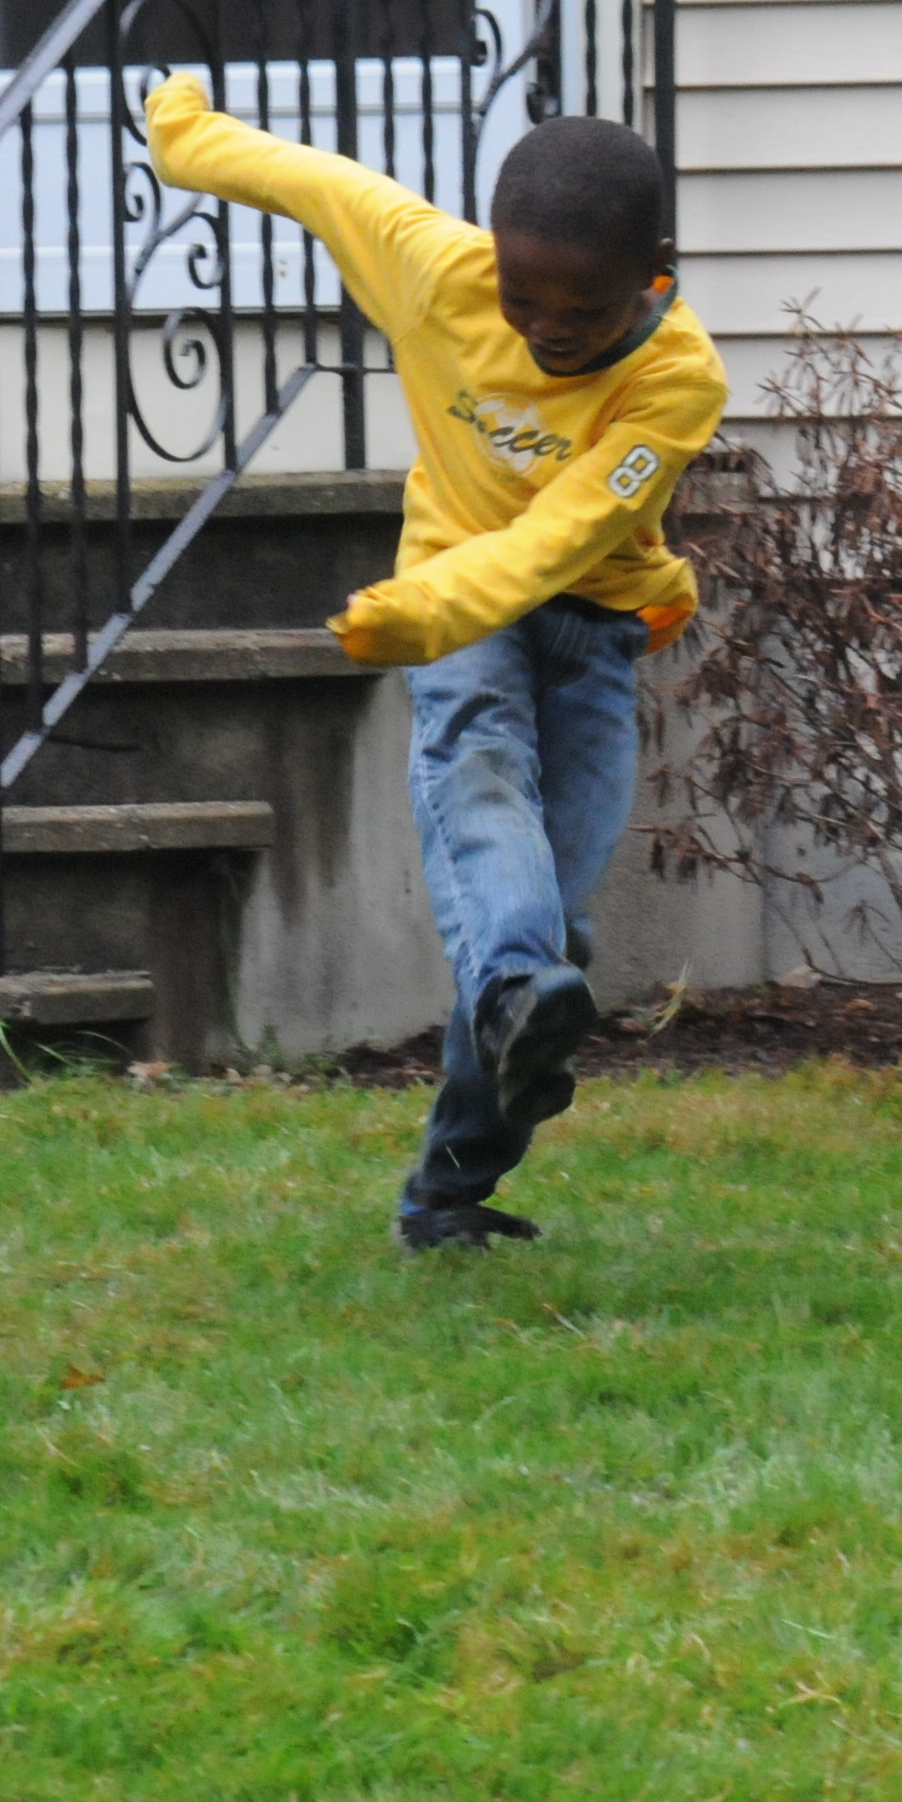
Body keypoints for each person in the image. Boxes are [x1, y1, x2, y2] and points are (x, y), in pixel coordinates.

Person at [144, 73, 725, 1250]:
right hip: (461, 609)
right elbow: (316, 184)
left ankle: (448, 1190)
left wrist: (419, 613)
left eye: (582, 309)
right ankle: (509, 998)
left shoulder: (675, 380)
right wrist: (183, 133)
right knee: (482, 783)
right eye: (522, 298)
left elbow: (561, 536)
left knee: (551, 935)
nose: (546, 328)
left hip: (587, 628)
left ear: (653, 273)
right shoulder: (434, 268)